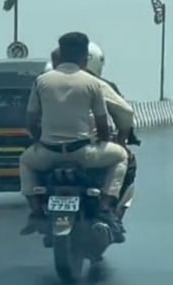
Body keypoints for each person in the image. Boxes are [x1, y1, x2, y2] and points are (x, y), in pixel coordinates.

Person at [19, 32, 129, 242]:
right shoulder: (92, 83)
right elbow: (101, 122)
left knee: (25, 160)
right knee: (121, 156)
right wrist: (103, 142)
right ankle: (106, 206)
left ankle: (35, 210)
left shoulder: (41, 81)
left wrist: (37, 141)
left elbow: (31, 120)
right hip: (82, 153)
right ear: (84, 57)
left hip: (48, 153)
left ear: (59, 55)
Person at [52, 44, 140, 220]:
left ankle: (37, 211)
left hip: (52, 149)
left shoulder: (46, 82)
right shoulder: (101, 85)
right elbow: (124, 113)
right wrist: (123, 138)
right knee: (126, 160)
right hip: (87, 148)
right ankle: (109, 208)